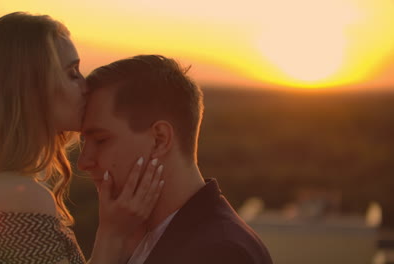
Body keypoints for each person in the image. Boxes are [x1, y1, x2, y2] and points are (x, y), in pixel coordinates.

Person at [0, 12, 164, 264]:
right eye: (71, 72)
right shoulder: (17, 197)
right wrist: (112, 234)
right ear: (31, 88)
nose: (85, 86)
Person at [78, 55, 274, 264]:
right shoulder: (138, 241)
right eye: (83, 142)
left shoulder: (222, 252)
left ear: (159, 140)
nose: (83, 161)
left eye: (100, 140)